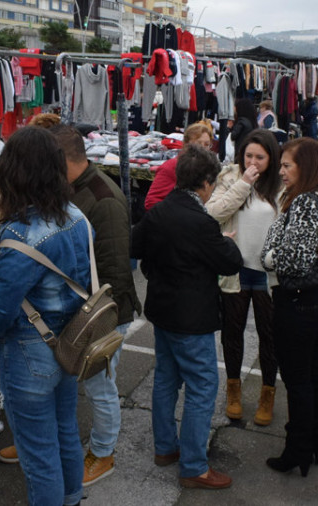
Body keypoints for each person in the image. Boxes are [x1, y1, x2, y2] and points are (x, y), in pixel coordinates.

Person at [0, 124, 141, 487]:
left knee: (99, 387)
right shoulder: (68, 192)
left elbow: (114, 271)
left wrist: (98, 322)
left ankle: (103, 452)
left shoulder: (102, 198)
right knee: (67, 390)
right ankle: (39, 443)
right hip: (73, 314)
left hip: (99, 315)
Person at [0, 126, 90, 506]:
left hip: (29, 358)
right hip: (69, 346)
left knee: (39, 456)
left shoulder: (20, 239)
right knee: (65, 433)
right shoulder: (75, 216)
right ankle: (72, 500)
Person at [131, 144, 242, 490]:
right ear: (207, 183)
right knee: (202, 386)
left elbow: (137, 248)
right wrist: (225, 241)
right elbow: (230, 263)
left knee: (166, 378)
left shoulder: (159, 211)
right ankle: (193, 465)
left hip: (163, 310)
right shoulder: (201, 222)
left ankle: (166, 447)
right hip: (191, 317)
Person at [261, 137, 318, 477]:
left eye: (287, 165)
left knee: (299, 380)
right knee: (316, 373)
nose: (281, 171)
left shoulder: (302, 203)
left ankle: (297, 450)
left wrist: (269, 256)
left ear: (307, 167)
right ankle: (317, 441)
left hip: (299, 303)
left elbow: (295, 261)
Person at [205, 130, 282, 425]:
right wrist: (243, 184)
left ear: (271, 158)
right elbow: (212, 213)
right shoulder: (231, 176)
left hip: (268, 273)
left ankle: (267, 393)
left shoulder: (281, 183)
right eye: (248, 155)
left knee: (270, 337)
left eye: (260, 157)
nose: (253, 162)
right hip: (235, 270)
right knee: (232, 334)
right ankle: (233, 390)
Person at [144, 122, 214, 210]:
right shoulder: (171, 166)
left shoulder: (209, 168)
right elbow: (151, 202)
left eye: (207, 145)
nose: (203, 148)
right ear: (186, 144)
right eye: (198, 143)